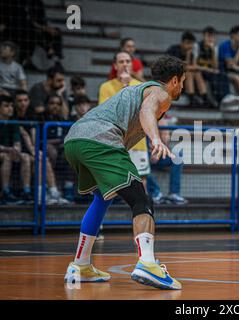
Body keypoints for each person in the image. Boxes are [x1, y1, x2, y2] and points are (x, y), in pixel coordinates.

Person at [63, 55, 185, 290]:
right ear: (174, 81)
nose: (182, 87)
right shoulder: (160, 93)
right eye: (183, 82)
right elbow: (147, 111)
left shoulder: (137, 88)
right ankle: (147, 264)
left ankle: (80, 265)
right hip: (99, 140)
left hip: (74, 141)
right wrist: (156, 139)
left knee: (101, 198)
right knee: (141, 199)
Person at [99, 51, 150, 186]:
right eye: (121, 62)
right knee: (114, 184)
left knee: (140, 181)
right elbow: (107, 114)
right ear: (115, 66)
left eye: (128, 61)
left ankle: (144, 208)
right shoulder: (106, 87)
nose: (125, 64)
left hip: (137, 142)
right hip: (115, 143)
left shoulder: (141, 86)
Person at [14, 90, 67, 204]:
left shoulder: (31, 115)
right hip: (20, 151)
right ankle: (40, 193)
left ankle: (50, 193)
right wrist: (34, 150)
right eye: (19, 101)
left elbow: (33, 136)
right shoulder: (14, 116)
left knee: (43, 160)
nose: (23, 103)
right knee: (41, 156)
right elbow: (24, 134)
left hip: (32, 150)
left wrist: (35, 150)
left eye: (25, 100)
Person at [167, 31, 216, 108]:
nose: (190, 46)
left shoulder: (191, 52)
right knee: (189, 72)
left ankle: (204, 97)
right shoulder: (174, 50)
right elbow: (183, 67)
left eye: (191, 43)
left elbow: (193, 66)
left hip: (184, 78)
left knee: (197, 72)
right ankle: (192, 98)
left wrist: (189, 55)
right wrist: (205, 69)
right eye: (188, 43)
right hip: (171, 77)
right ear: (182, 43)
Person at [147, 115, 187, 205]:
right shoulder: (138, 121)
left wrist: (163, 126)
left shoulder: (159, 120)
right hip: (142, 156)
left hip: (158, 156)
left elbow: (165, 143)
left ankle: (174, 193)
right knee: (139, 163)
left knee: (178, 157)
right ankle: (156, 193)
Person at [0, 94, 32, 204]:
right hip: (5, 153)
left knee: (25, 156)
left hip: (9, 152)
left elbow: (17, 142)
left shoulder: (13, 122)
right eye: (6, 106)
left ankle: (26, 192)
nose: (10, 108)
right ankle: (5, 191)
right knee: (7, 157)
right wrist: (9, 149)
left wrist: (16, 149)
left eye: (11, 106)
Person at [193, 26, 229, 108]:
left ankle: (222, 100)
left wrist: (212, 50)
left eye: (212, 36)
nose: (210, 39)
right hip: (200, 70)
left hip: (209, 71)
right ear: (203, 36)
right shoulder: (197, 46)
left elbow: (215, 66)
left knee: (221, 74)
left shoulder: (215, 48)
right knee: (198, 73)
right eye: (208, 36)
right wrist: (208, 69)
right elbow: (194, 65)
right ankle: (206, 99)